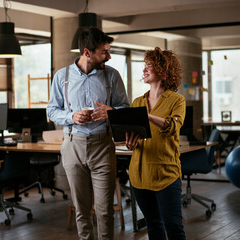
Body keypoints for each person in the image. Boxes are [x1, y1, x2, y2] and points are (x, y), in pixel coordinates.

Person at [47, 27, 129, 240]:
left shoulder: (112, 76)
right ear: (87, 52)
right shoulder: (61, 77)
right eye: (104, 52)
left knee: (104, 210)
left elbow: (125, 109)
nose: (108, 56)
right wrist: (71, 117)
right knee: (81, 210)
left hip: (103, 146)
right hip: (73, 146)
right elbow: (52, 111)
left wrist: (111, 112)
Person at [125, 47, 186, 240]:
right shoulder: (136, 102)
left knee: (174, 228)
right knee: (153, 225)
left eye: (149, 66)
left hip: (166, 174)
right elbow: (133, 138)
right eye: (144, 66)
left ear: (163, 69)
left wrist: (147, 116)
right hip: (139, 175)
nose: (144, 70)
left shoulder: (177, 100)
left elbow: (172, 127)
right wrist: (130, 143)